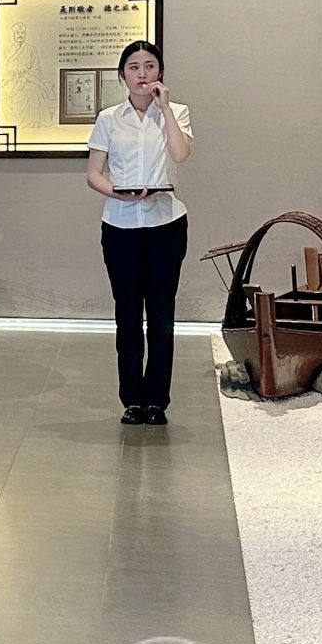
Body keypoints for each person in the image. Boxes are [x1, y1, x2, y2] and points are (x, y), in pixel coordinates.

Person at [86, 40, 193, 426]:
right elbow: (93, 173)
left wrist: (165, 109)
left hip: (166, 224)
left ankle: (157, 401)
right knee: (128, 315)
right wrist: (119, 192)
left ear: (160, 72)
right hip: (120, 225)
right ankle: (132, 399)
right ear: (123, 75)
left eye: (149, 66)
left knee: (162, 317)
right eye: (134, 67)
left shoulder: (176, 111)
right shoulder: (109, 118)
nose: (142, 74)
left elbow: (180, 155)